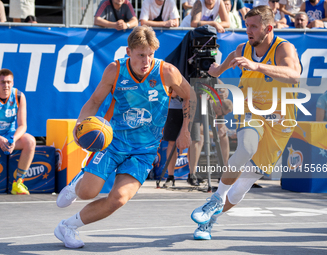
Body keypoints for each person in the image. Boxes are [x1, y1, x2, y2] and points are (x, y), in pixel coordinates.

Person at [54, 26, 194, 249]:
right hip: (113, 142)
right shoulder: (115, 70)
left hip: (144, 150)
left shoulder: (167, 72)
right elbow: (94, 101)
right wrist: (80, 124)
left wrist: (185, 129)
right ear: (128, 51)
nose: (146, 60)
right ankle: (76, 184)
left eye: (150, 54)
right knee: (88, 192)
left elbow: (190, 96)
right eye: (140, 55)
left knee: (118, 199)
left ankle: (67, 226)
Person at [190, 5, 301, 240]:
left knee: (243, 187)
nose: (248, 31)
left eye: (253, 27)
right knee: (246, 147)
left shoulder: (284, 48)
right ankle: (216, 198)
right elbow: (231, 58)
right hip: (250, 111)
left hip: (280, 122)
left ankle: (209, 221)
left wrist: (257, 66)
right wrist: (218, 68)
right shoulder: (243, 48)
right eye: (247, 25)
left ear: (268, 28)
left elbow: (294, 74)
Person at [0, 69, 36, 195]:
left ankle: (18, 183)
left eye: (9, 82)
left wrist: (13, 139)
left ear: (13, 82)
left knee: (30, 141)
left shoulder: (19, 96)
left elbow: (22, 125)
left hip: (9, 136)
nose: (6, 86)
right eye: (3, 82)